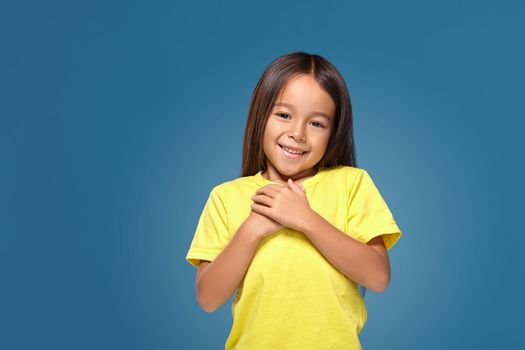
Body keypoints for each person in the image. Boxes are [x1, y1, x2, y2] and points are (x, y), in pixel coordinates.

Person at [185, 51, 403, 349]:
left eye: (316, 123)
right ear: (260, 116)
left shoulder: (352, 184)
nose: (297, 133)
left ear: (333, 133)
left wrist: (305, 219)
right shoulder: (226, 197)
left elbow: (378, 277)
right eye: (284, 115)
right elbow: (208, 299)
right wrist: (252, 229)